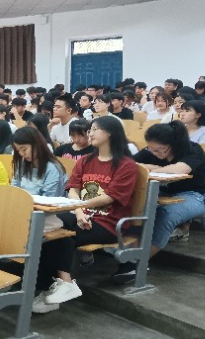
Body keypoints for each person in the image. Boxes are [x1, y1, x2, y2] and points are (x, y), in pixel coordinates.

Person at [33, 116, 138, 312]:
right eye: (90, 129)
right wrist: (79, 211)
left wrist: (80, 207)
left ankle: (58, 288)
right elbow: (72, 188)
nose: (90, 133)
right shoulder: (85, 160)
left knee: (59, 234)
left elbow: (109, 197)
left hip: (108, 223)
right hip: (81, 215)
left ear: (111, 133)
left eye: (95, 129)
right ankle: (56, 288)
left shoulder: (126, 165)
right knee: (48, 229)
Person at [119, 121, 205, 276]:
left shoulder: (192, 150)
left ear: (172, 144)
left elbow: (179, 170)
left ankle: (137, 261)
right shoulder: (152, 151)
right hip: (163, 192)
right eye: (151, 149)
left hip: (197, 195)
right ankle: (131, 248)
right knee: (136, 206)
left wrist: (150, 168)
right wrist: (151, 166)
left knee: (166, 213)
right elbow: (128, 163)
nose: (155, 153)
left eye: (160, 150)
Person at [12, 127, 66, 197]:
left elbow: (50, 198)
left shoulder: (52, 168)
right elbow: (14, 189)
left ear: (36, 145)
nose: (22, 154)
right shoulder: (23, 164)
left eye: (24, 149)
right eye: (18, 150)